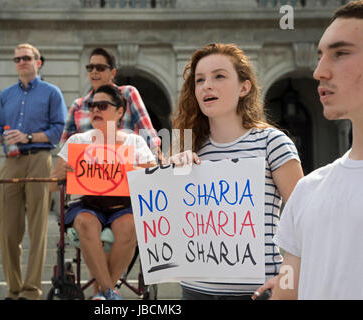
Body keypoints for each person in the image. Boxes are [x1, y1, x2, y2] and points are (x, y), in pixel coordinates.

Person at [169, 43, 304, 299]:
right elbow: (173, 226)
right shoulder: (188, 148)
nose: (206, 85)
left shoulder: (272, 143)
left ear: (244, 87)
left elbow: (306, 220)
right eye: (199, 80)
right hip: (194, 291)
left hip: (258, 292)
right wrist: (171, 175)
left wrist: (288, 280)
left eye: (219, 76)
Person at [252, 0, 363, 300]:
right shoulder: (307, 190)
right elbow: (289, 285)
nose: (318, 72)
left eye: (340, 53)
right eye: (320, 56)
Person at [50, 84, 156, 300]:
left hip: (123, 206)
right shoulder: (78, 141)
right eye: (92, 106)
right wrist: (66, 173)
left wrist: (131, 169)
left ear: (119, 112)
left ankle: (102, 293)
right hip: (88, 204)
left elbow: (153, 177)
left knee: (130, 226)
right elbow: (53, 183)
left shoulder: (135, 142)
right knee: (87, 223)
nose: (95, 110)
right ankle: (108, 292)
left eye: (102, 105)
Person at [0, 43, 67, 300]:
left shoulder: (52, 93)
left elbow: (58, 131)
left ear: (38, 62)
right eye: (17, 59)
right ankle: (13, 289)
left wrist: (28, 135)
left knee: (37, 227)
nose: (21, 62)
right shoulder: (5, 95)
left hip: (39, 159)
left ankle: (31, 291)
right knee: (7, 230)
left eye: (26, 58)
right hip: (11, 161)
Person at [61, 47, 160, 158]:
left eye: (100, 68)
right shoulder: (78, 105)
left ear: (113, 73)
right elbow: (65, 146)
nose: (94, 71)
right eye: (90, 68)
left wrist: (158, 161)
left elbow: (148, 134)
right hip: (89, 171)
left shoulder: (128, 93)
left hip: (125, 169)